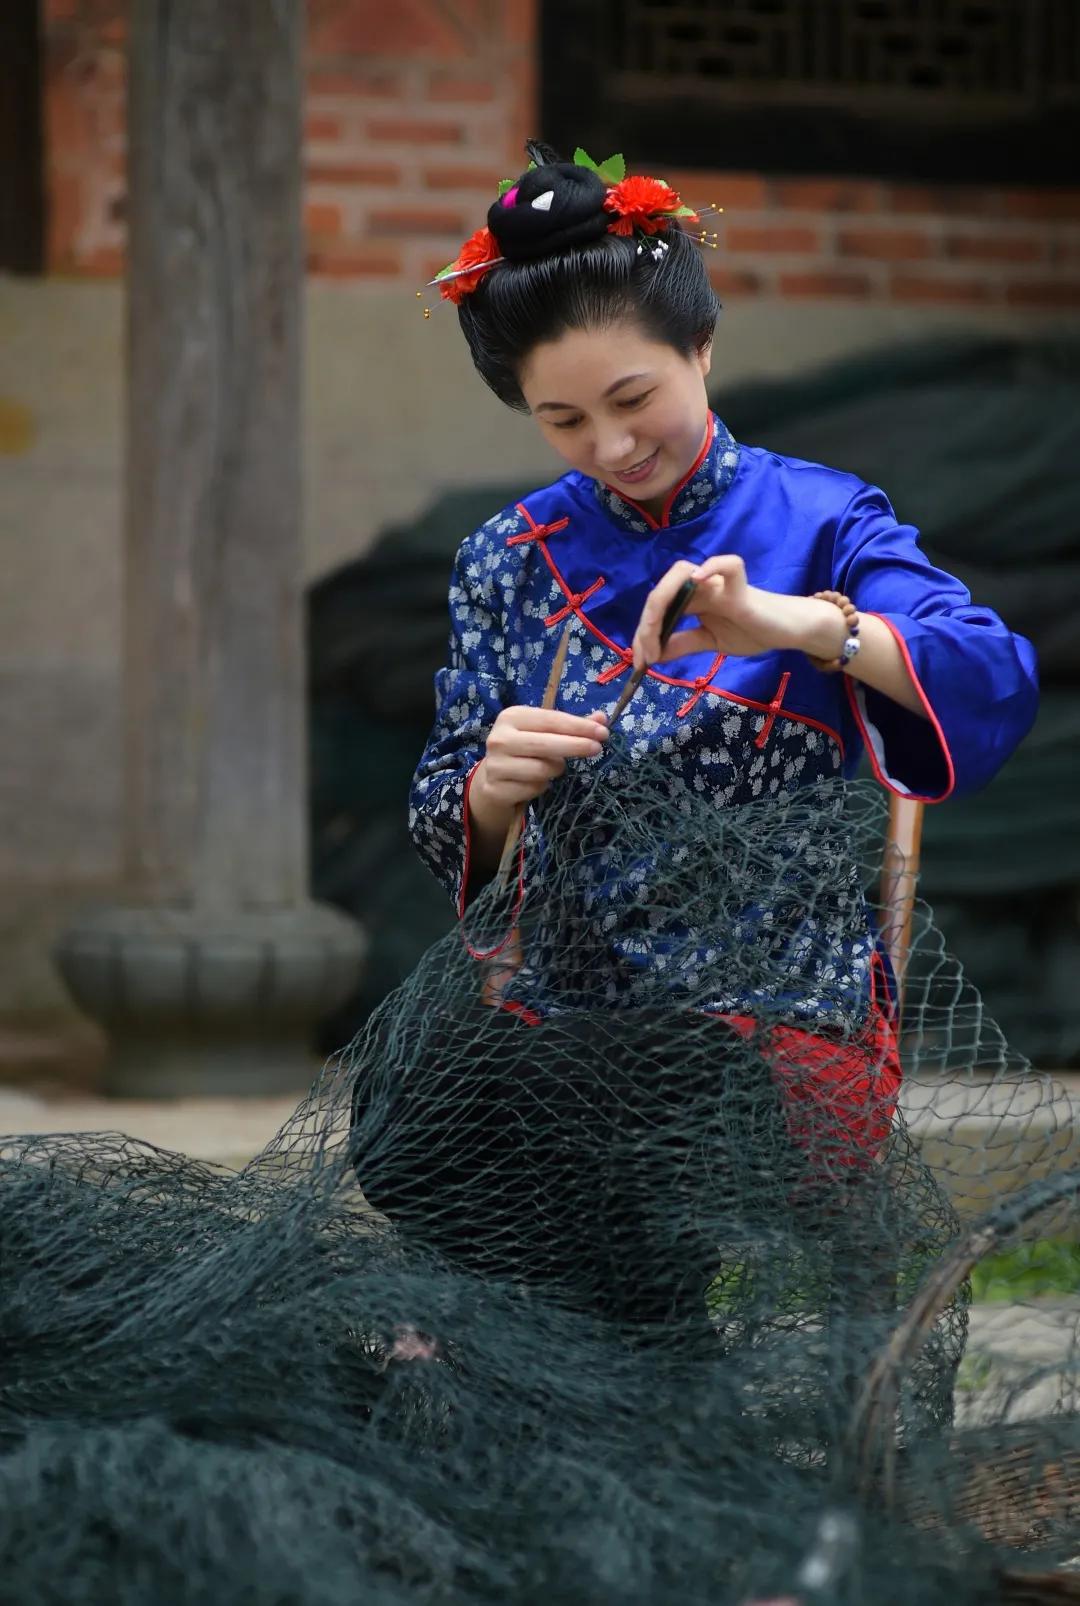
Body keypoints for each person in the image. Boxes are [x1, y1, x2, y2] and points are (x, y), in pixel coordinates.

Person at [355, 141, 1039, 1345]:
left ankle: (603, 1392)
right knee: (405, 1099)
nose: (612, 447)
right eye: (562, 420)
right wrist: (489, 788)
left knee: (583, 1106)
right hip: (557, 1010)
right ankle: (622, 1388)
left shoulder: (824, 518)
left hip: (781, 1028)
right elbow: (438, 810)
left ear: (703, 349)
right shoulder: (508, 557)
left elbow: (989, 675)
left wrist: (788, 622)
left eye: (633, 400)